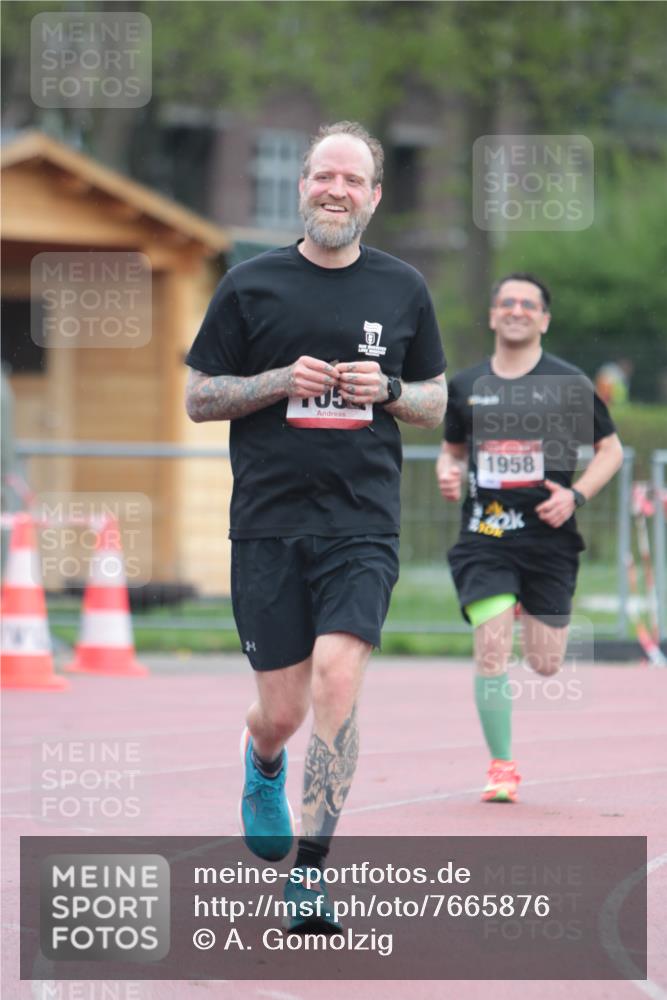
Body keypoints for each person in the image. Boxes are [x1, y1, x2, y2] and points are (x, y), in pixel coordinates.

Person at [185, 121, 447, 927]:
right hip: (267, 524)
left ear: (373, 196)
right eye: (323, 175)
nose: (336, 190)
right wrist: (274, 380)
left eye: (352, 179)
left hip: (360, 523)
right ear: (303, 186)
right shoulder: (249, 285)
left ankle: (311, 870)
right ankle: (261, 759)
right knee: (284, 712)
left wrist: (388, 391)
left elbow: (436, 402)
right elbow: (199, 396)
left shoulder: (402, 288)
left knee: (338, 679)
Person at [436, 273, 623, 803]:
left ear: (544, 319)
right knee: (491, 648)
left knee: (546, 662)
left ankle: (519, 603)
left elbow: (610, 450)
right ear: (493, 315)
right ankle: (502, 767)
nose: (516, 310)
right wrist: (448, 473)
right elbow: (453, 452)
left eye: (528, 304)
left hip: (548, 540)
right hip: (485, 535)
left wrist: (576, 495)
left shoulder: (569, 383)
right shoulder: (466, 385)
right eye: (507, 302)